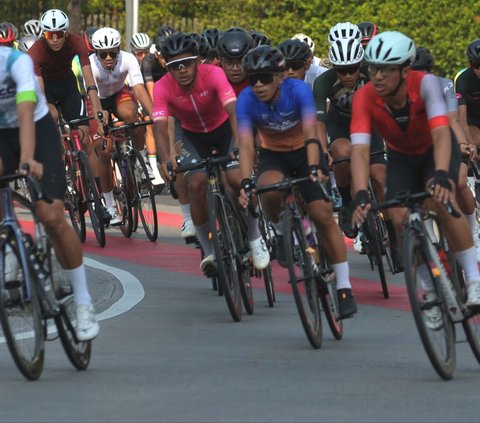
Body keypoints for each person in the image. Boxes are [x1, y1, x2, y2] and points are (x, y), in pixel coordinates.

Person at [350, 31, 480, 311]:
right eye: (373, 69)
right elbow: (359, 150)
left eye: (386, 70)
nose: (378, 76)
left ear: (405, 70)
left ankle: (473, 278)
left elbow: (442, 135)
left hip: (436, 149)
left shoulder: (426, 85)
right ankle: (429, 290)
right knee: (398, 217)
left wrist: (443, 174)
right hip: (402, 157)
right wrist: (360, 192)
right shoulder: (364, 97)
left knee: (444, 200)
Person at [237, 45, 357, 318]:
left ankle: (344, 286)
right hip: (274, 156)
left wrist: (314, 166)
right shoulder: (246, 99)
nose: (257, 85)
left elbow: (312, 132)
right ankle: (281, 231)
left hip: (305, 152)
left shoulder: (299, 91)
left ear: (280, 77)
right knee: (267, 191)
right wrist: (245, 181)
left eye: (265, 78)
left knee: (322, 214)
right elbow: (245, 144)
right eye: (252, 79)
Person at [0, 44, 99, 340]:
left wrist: (28, 159)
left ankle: (83, 303)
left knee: (51, 215)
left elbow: (26, 112)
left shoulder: (15, 62)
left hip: (35, 126)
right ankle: (11, 238)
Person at [152, 32, 270, 275]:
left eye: (186, 63)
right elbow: (160, 128)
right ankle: (209, 251)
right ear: (167, 67)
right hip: (192, 136)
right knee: (195, 184)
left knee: (237, 180)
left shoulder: (214, 74)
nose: (182, 70)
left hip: (225, 129)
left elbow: (235, 111)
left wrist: (240, 142)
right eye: (175, 66)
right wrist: (165, 159)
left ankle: (255, 238)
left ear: (198, 61)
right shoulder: (163, 87)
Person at [313, 37, 389, 255]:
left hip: (370, 124)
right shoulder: (323, 82)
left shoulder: (374, 73)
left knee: (380, 176)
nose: (347, 75)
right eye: (341, 70)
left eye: (352, 69)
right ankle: (347, 201)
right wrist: (323, 151)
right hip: (340, 126)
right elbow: (319, 123)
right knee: (341, 153)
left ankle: (393, 236)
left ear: (361, 64)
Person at [28, 9, 105, 213]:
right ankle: (62, 160)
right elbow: (41, 93)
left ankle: (99, 201)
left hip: (68, 86)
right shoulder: (36, 51)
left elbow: (89, 81)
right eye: (49, 35)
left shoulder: (76, 42)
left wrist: (97, 108)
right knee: (51, 115)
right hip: (47, 89)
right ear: (43, 34)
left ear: (66, 32)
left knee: (86, 140)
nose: (54, 39)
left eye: (59, 34)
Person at [411, 46, 480, 260]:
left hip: (446, 141)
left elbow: (453, 119)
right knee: (420, 191)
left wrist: (463, 144)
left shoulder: (445, 85)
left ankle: (474, 233)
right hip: (418, 145)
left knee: (460, 183)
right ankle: (431, 243)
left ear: (431, 70)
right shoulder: (401, 91)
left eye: (425, 71)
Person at [89, 27, 155, 224]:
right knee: (104, 149)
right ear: (96, 54)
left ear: (119, 50)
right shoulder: (90, 65)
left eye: (112, 52)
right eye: (103, 54)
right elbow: (91, 95)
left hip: (118, 94)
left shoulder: (128, 59)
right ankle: (109, 205)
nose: (108, 57)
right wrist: (102, 118)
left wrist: (155, 114)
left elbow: (139, 89)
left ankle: (141, 159)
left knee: (132, 115)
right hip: (96, 100)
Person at [217, 27, 255, 96]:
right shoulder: (211, 78)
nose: (235, 68)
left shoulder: (260, 78)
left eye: (241, 61)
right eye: (229, 62)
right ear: (220, 61)